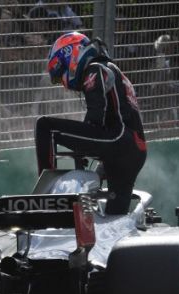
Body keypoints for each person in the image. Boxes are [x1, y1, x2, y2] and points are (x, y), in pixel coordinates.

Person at [35, 32, 147, 215]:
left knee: (46, 127)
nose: (62, 83)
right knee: (114, 219)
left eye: (59, 74)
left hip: (116, 141)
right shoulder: (113, 69)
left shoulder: (95, 69)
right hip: (135, 151)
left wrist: (82, 146)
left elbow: (96, 117)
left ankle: (45, 193)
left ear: (71, 55)